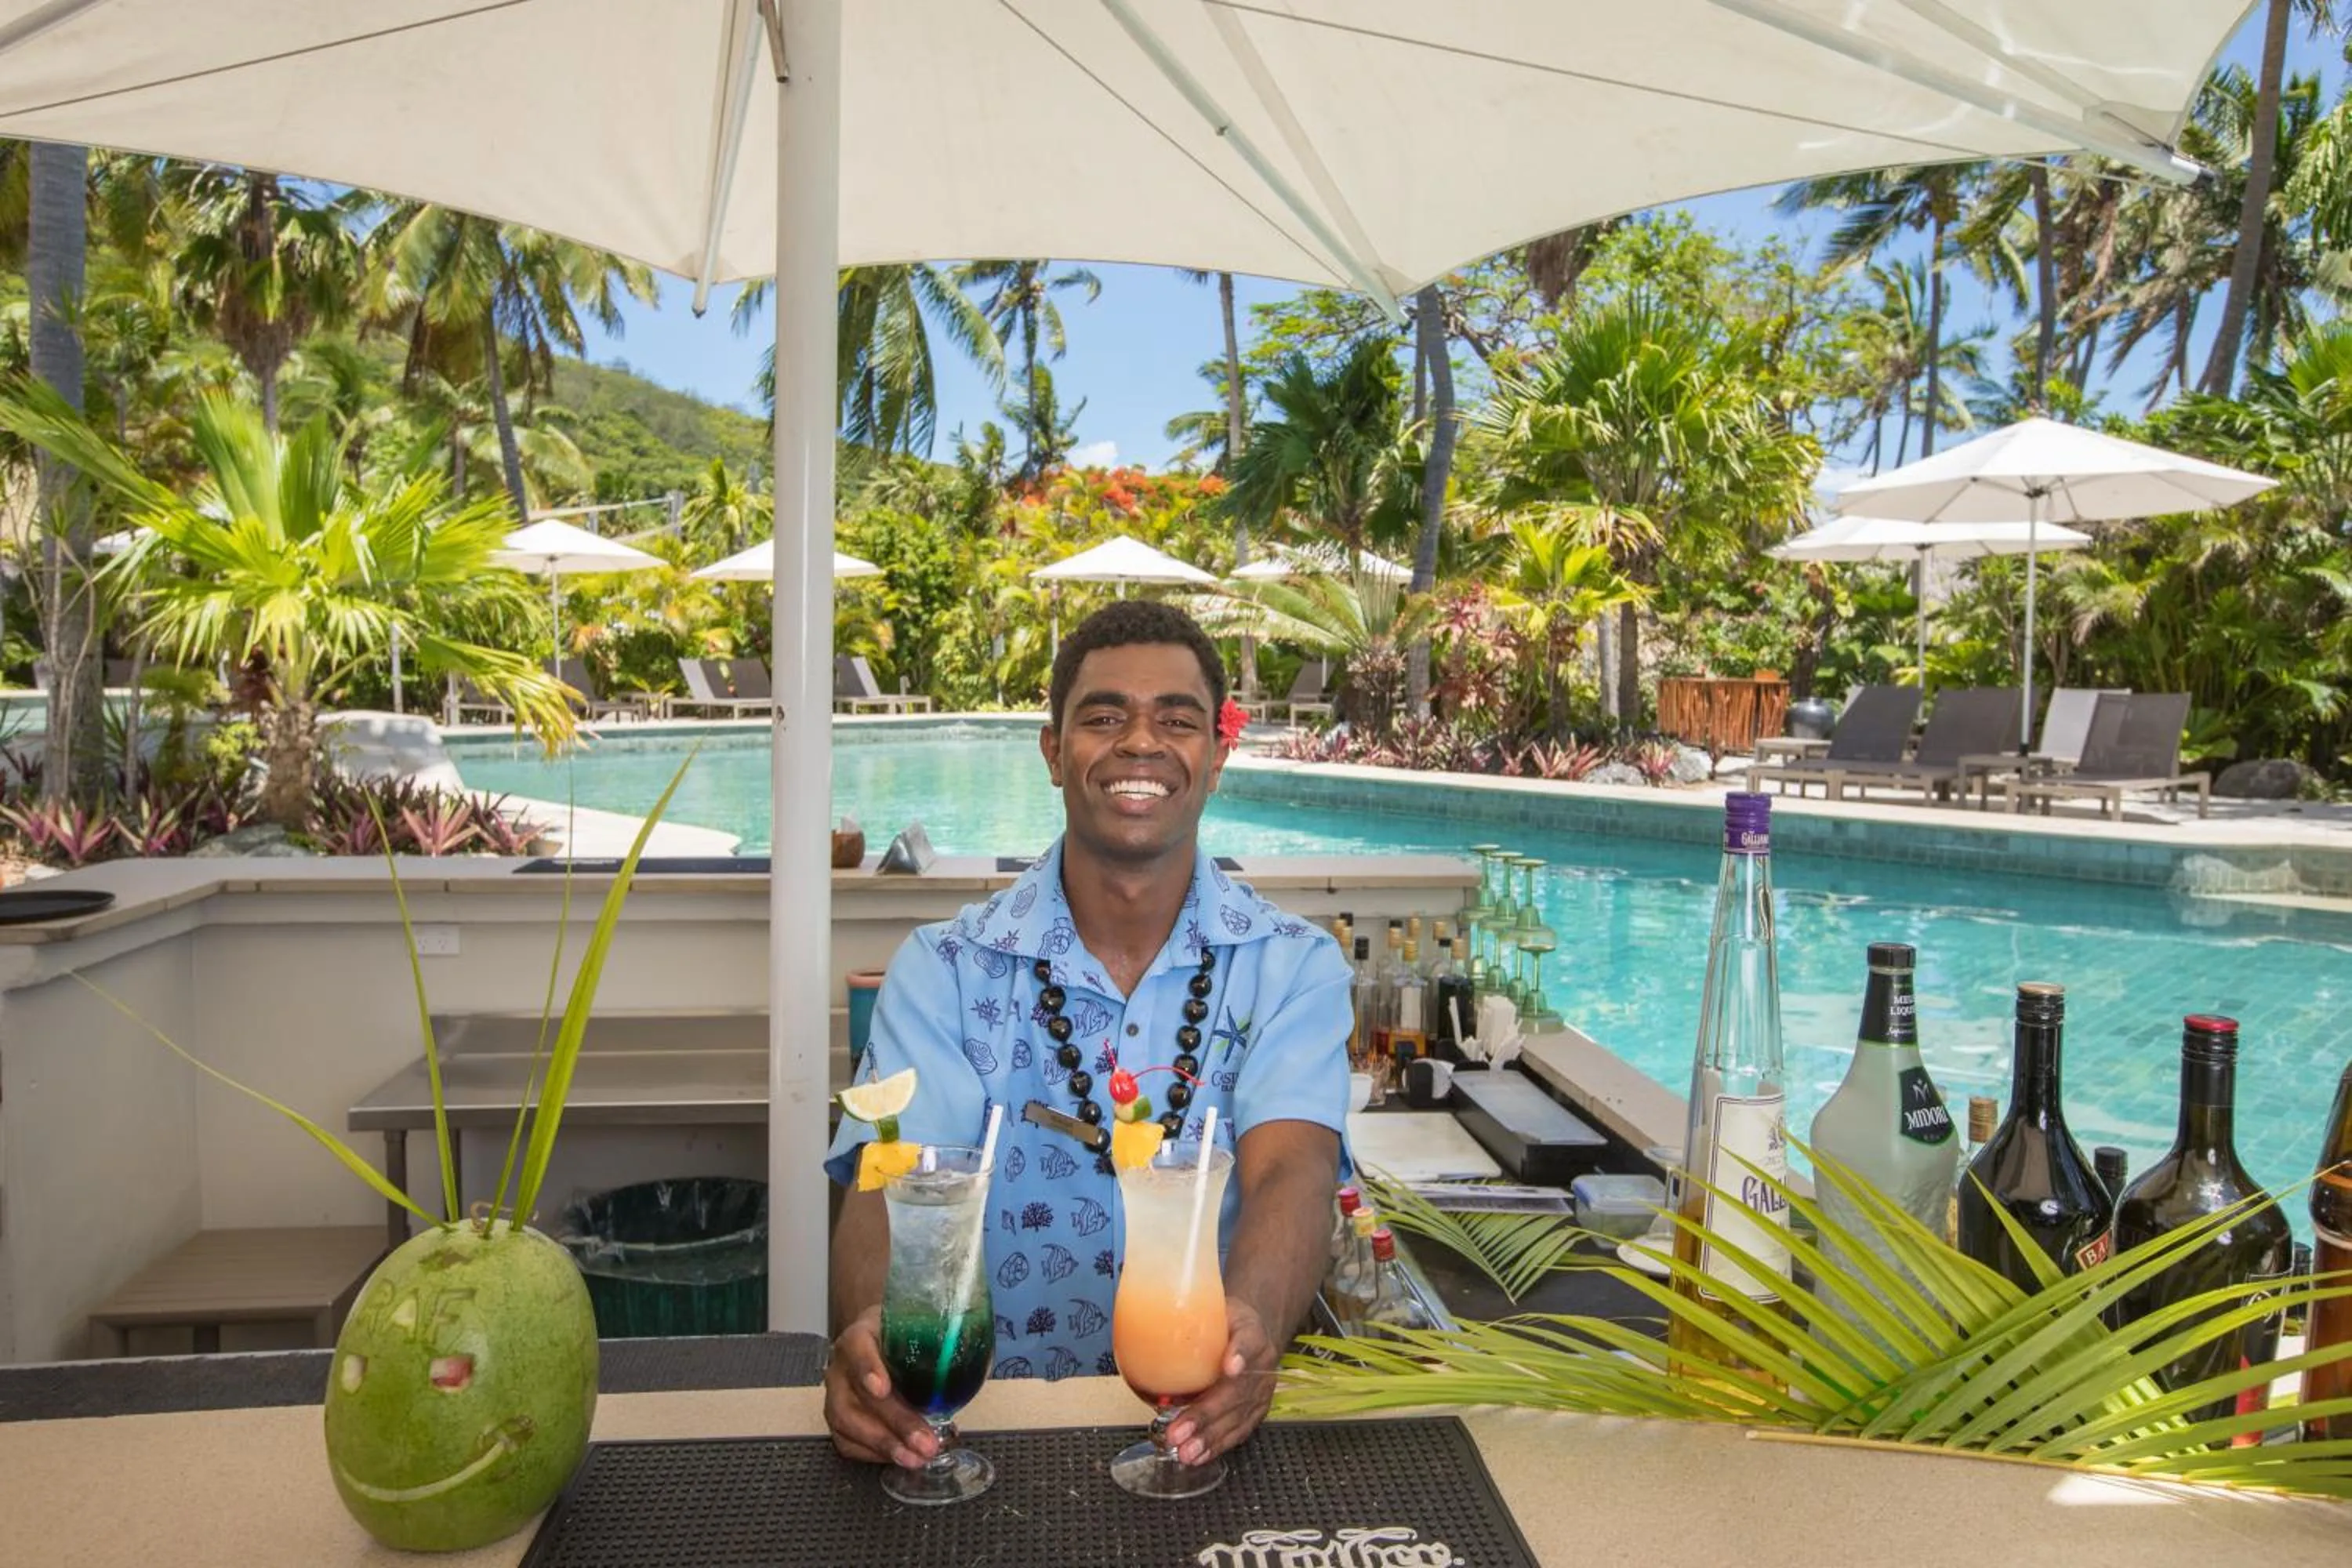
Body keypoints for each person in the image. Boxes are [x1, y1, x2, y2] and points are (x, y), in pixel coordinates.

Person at [822, 601, 1351, 1473]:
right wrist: (872, 1339)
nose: (1140, 741)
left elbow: (1292, 1165)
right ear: (1052, 751)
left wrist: (1249, 1332)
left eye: (1176, 719)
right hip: (983, 1438)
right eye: (1104, 716)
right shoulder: (946, 968)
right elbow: (897, 1177)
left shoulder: (1292, 968)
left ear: (1216, 756)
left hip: (1204, 1433)